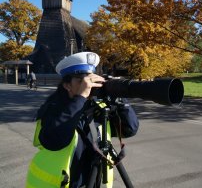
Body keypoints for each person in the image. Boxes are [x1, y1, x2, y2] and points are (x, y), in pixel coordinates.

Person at [26, 52, 139, 188]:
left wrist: (120, 98)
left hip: (95, 181)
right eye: (81, 80)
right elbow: (53, 141)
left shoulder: (98, 108)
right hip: (61, 183)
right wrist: (81, 98)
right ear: (67, 85)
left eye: (91, 79)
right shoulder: (54, 108)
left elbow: (130, 129)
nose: (88, 85)